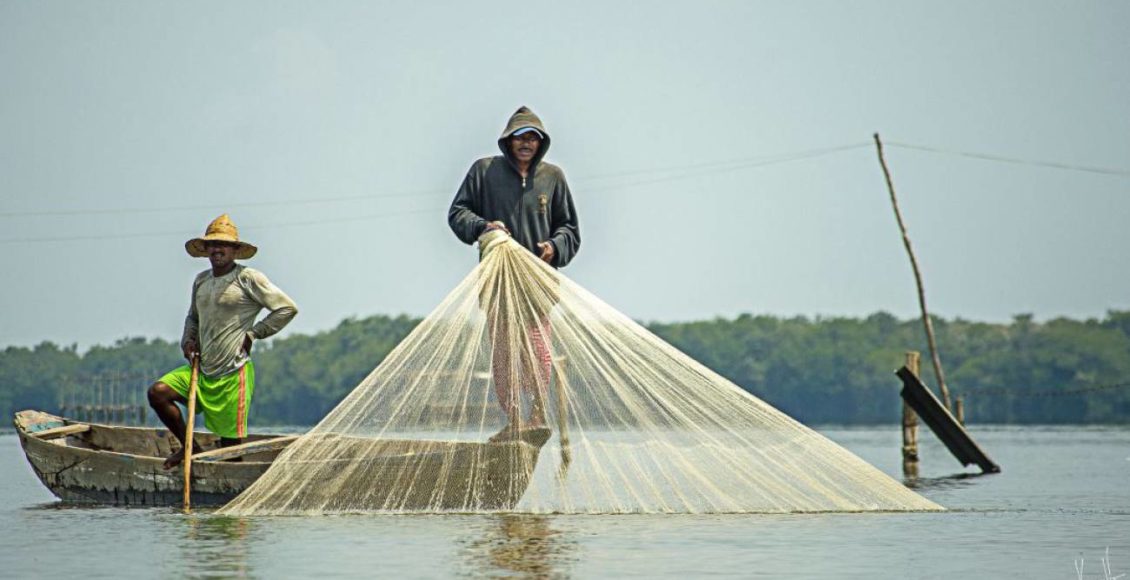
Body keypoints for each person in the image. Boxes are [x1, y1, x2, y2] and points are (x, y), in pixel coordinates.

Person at [448, 106, 580, 441]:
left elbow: (570, 229)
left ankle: (536, 415)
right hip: (498, 282)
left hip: (538, 283)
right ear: (508, 141)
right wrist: (484, 226)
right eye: (520, 137)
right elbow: (458, 212)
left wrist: (553, 246)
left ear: (540, 144)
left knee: (536, 350)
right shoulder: (484, 172)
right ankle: (515, 419)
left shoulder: (553, 178)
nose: (526, 144)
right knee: (504, 355)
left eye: (533, 138)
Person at [148, 214, 298, 469]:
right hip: (202, 369)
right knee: (158, 393)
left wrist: (254, 333)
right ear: (205, 249)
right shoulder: (202, 280)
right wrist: (188, 341)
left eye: (224, 245)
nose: (218, 250)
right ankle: (190, 449)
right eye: (213, 245)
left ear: (235, 250)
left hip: (233, 372)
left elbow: (286, 308)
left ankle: (231, 495)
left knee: (230, 449)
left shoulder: (248, 278)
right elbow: (193, 317)